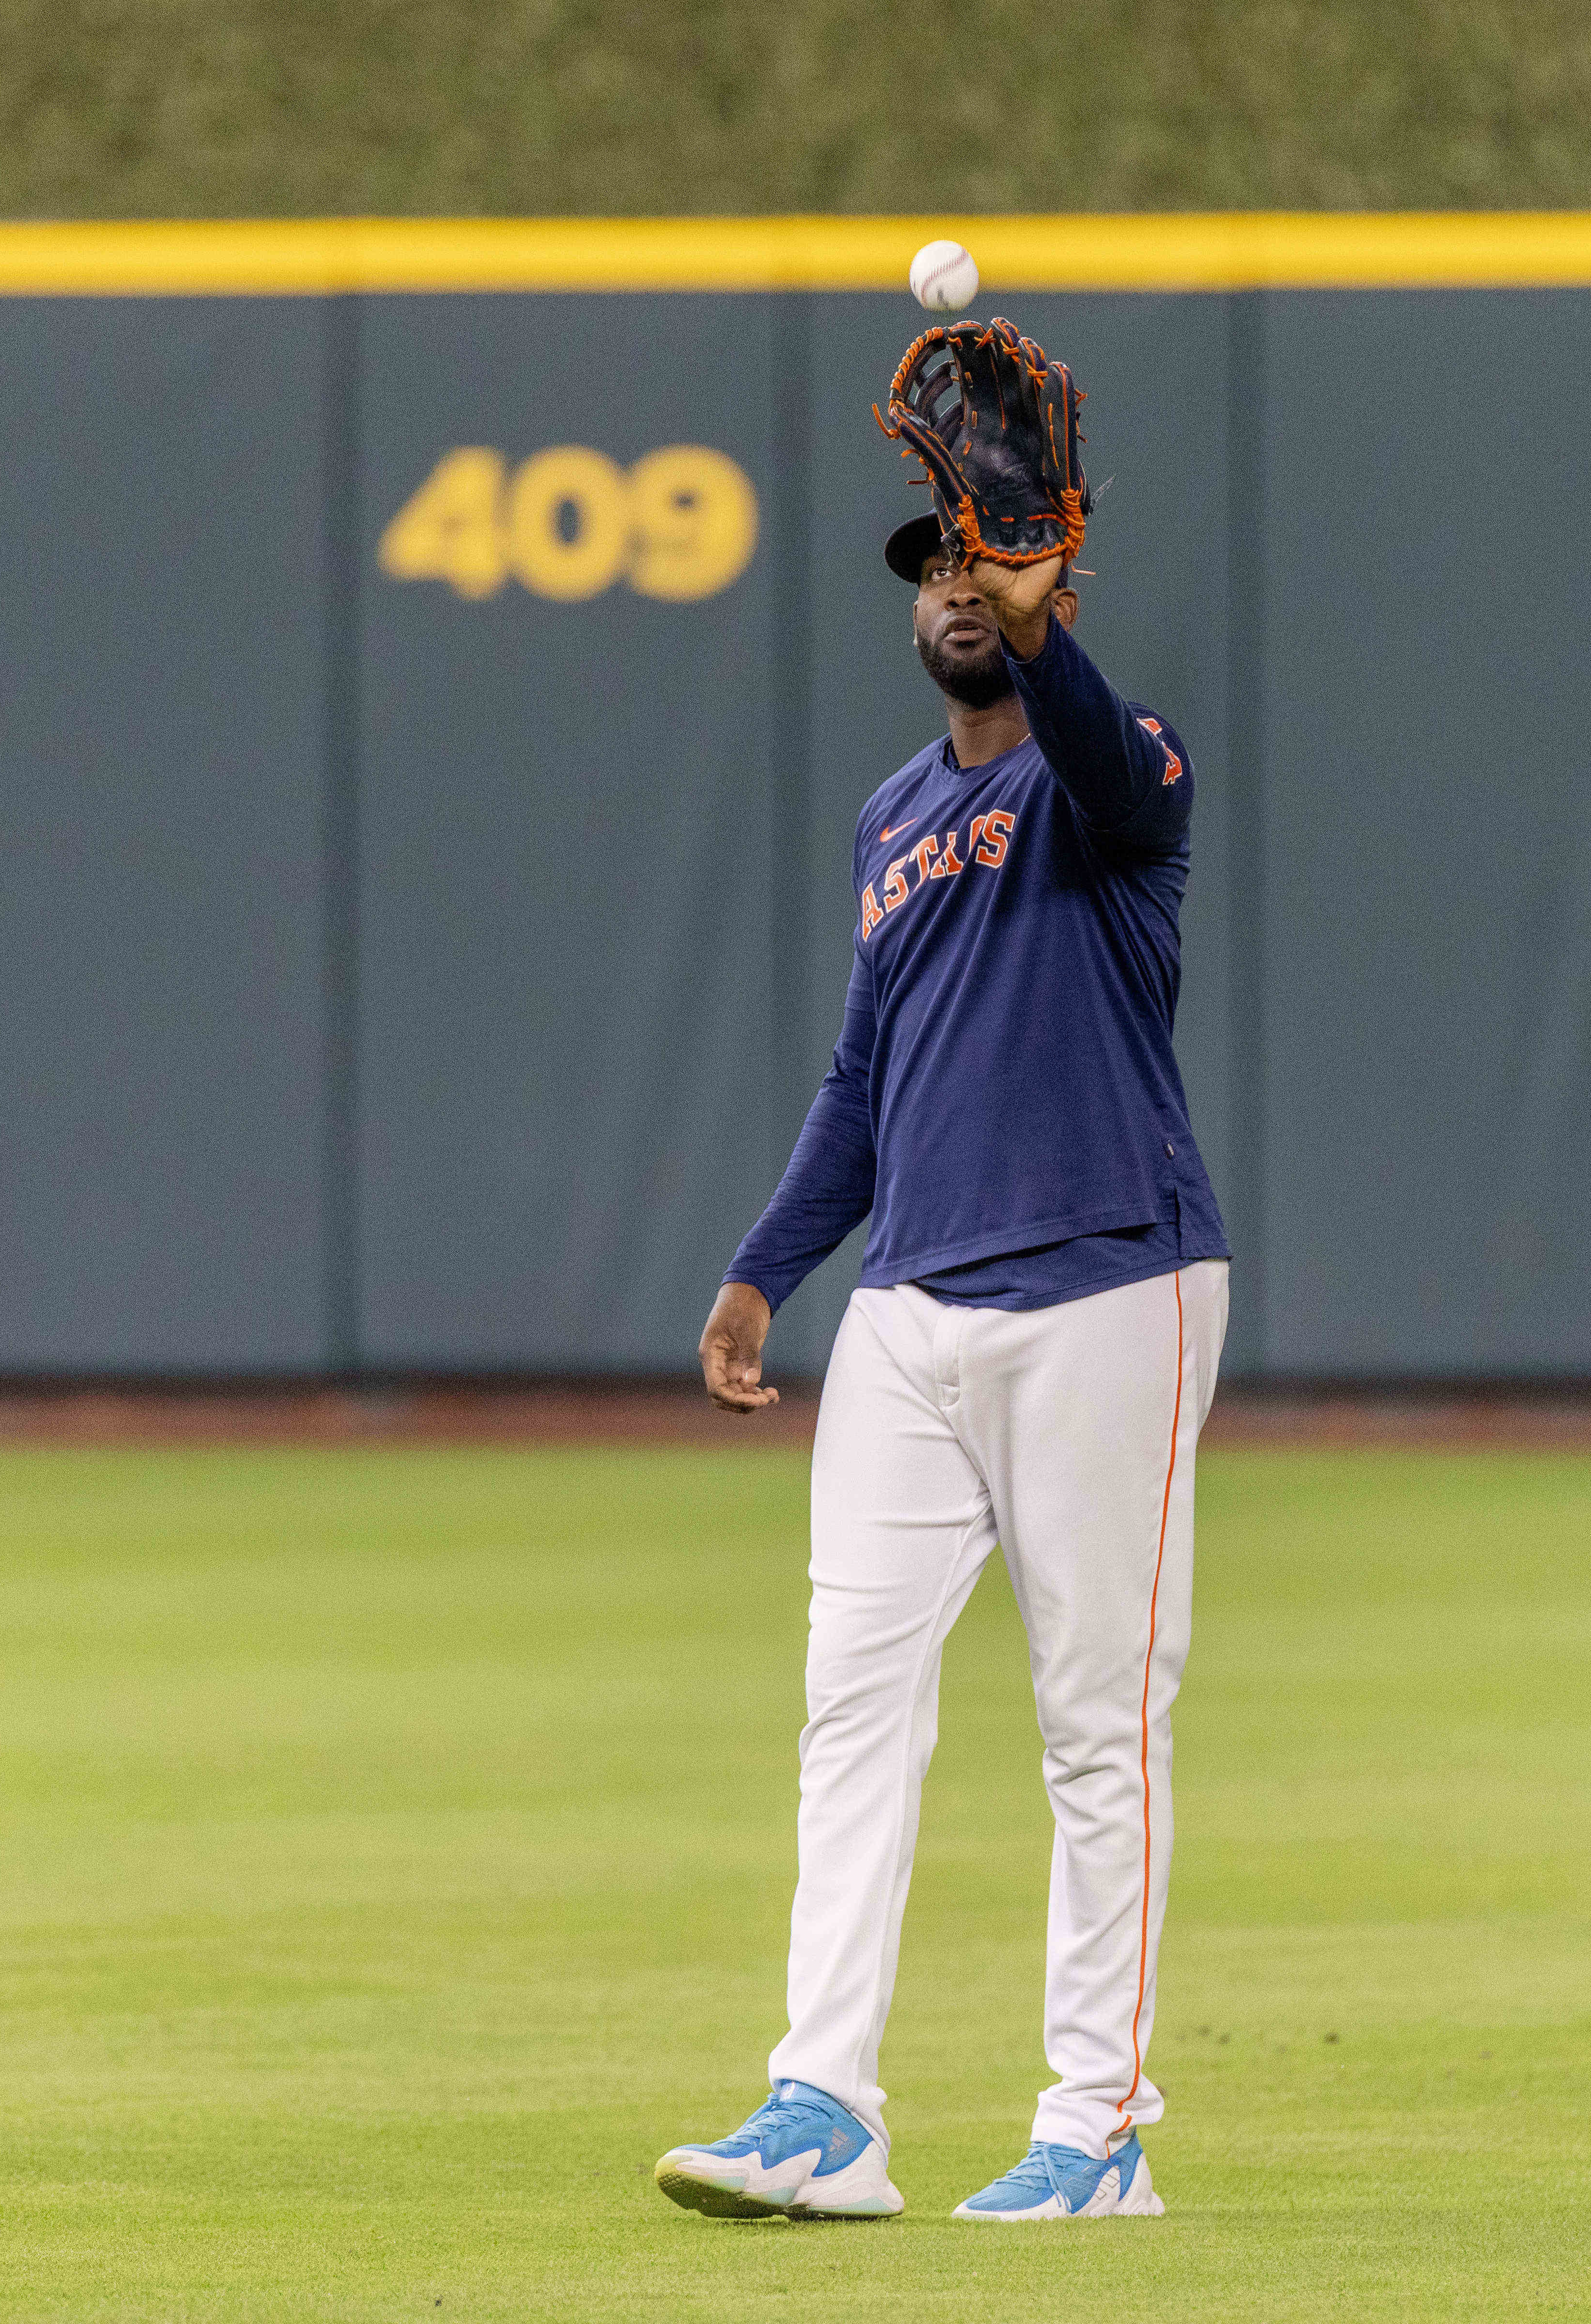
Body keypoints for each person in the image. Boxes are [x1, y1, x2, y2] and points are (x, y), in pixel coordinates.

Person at [653, 509, 1231, 2224]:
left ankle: (1096, 2131)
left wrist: (1048, 629)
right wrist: (766, 1271)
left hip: (1110, 1284)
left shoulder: (1118, 773)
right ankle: (822, 2105)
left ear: (1049, 591)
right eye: (931, 568)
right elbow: (862, 1075)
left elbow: (1112, 770)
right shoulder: (891, 818)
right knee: (851, 1699)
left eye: (983, 560)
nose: (953, 587)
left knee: (1094, 1724)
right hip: (906, 1312)